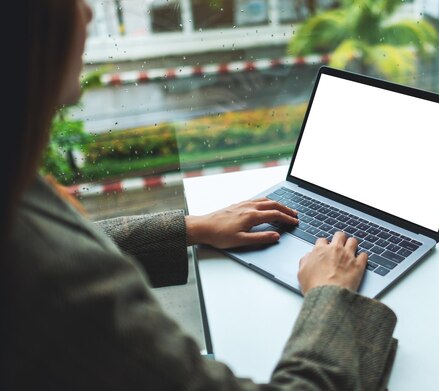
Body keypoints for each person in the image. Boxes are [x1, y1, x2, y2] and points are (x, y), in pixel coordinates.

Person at [2, 1, 398, 390]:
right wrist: (329, 297)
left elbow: (66, 242)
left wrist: (190, 227)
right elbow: (63, 263)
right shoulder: (56, 282)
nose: (87, 13)